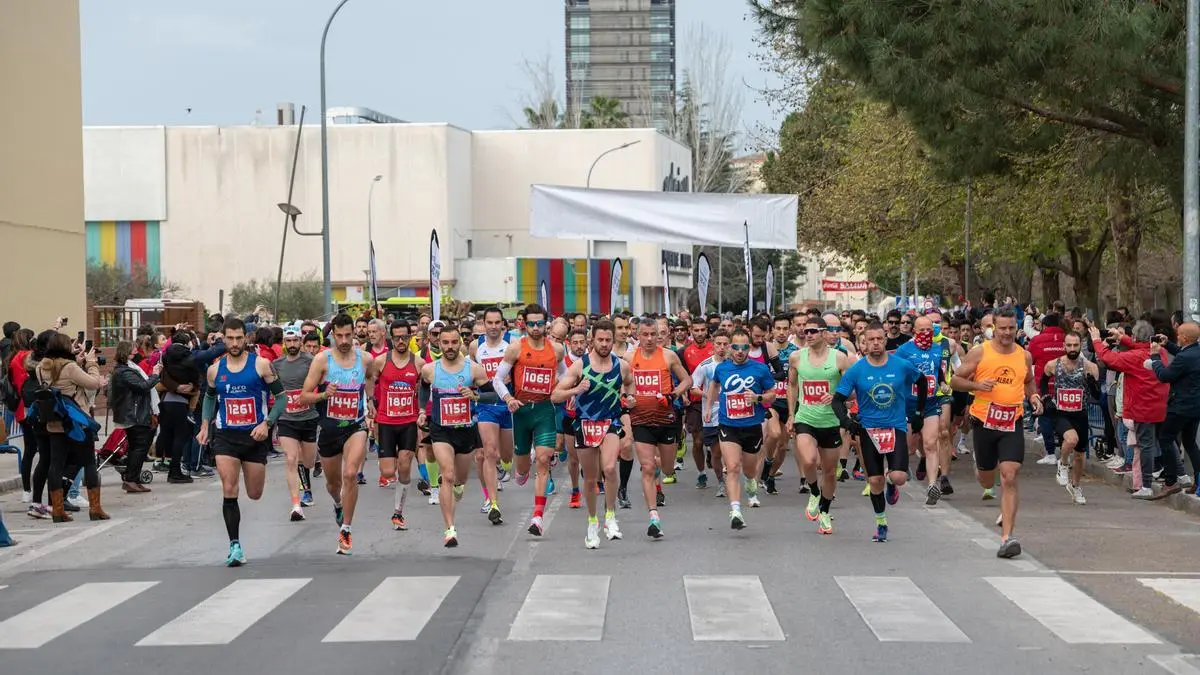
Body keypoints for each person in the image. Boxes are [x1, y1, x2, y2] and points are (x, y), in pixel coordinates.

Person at [196, 318, 288, 566]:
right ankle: (234, 546)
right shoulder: (215, 370)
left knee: (255, 493)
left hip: (254, 436)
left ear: (246, 338)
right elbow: (209, 398)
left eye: (239, 338)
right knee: (229, 487)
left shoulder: (261, 365)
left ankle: (236, 543)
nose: (235, 343)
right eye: (230, 338)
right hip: (226, 436)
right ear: (223, 338)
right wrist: (205, 426)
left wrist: (267, 424)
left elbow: (281, 398)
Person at [952, 309, 1040, 559]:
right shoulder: (980, 352)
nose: (1007, 333)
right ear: (993, 328)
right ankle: (981, 469)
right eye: (1002, 328)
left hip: (1012, 422)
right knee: (987, 480)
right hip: (984, 422)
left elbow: (1028, 380)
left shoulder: (1024, 355)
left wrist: (1034, 396)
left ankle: (1007, 537)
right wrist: (977, 385)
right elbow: (955, 381)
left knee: (1010, 475)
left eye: (1011, 328)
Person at [832, 321, 925, 543]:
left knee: (899, 477)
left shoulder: (901, 365)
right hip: (868, 429)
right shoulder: (857, 370)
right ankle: (881, 523)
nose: (875, 343)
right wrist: (847, 422)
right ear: (863, 343)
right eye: (870, 340)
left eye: (879, 339)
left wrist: (918, 413)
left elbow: (922, 382)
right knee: (874, 481)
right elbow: (837, 400)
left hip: (896, 427)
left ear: (885, 340)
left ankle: (891, 482)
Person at [552, 319, 633, 548]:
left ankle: (610, 516)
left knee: (609, 468)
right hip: (585, 424)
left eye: (608, 340)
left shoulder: (621, 365)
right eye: (600, 340)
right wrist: (576, 389)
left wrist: (629, 398)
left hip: (610, 422)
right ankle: (592, 521)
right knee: (590, 477)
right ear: (592, 340)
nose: (605, 344)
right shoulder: (580, 366)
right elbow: (555, 395)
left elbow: (630, 384)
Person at [297, 313, 373, 555]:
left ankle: (346, 530)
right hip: (329, 429)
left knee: (350, 474)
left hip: (355, 426)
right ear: (333, 336)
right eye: (339, 336)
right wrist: (323, 394)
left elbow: (370, 379)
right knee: (333, 484)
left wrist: (370, 401)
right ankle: (338, 504)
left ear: (354, 333)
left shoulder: (365, 359)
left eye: (348, 335)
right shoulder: (323, 360)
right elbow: (303, 396)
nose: (344, 340)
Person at [492, 304, 565, 537]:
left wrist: (560, 389)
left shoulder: (556, 349)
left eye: (539, 323)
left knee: (543, 460)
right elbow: (497, 379)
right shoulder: (516, 348)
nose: (535, 328)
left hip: (545, 410)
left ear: (546, 324)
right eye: (531, 323)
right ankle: (521, 471)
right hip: (521, 410)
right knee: (522, 467)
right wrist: (508, 398)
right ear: (524, 324)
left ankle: (537, 517)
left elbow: (565, 375)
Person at [419, 325, 490, 546]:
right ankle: (450, 529)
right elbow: (423, 389)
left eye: (453, 342)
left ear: (460, 343)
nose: (449, 347)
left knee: (459, 478)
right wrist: (421, 410)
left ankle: (459, 486)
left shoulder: (474, 369)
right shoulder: (430, 369)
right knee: (447, 475)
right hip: (440, 430)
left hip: (465, 431)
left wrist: (476, 396)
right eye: (445, 343)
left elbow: (493, 395)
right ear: (438, 343)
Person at [704, 328, 776, 530]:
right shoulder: (722, 368)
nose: (740, 351)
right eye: (735, 347)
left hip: (752, 425)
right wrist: (709, 408)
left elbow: (772, 394)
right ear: (730, 347)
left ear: (749, 348)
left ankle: (751, 483)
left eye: (744, 347)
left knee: (749, 470)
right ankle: (735, 511)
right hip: (728, 424)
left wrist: (758, 398)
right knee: (733, 466)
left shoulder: (760, 369)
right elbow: (714, 386)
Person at [788, 315, 852, 534]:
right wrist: (791, 415)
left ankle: (824, 510)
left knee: (830, 472)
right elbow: (792, 386)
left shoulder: (839, 358)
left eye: (813, 331)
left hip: (831, 421)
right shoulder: (796, 357)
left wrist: (835, 396)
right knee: (809, 460)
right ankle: (814, 491)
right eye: (806, 331)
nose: (808, 335)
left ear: (824, 333)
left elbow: (851, 390)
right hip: (805, 418)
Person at [35, 332, 107, 523]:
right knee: (89, 462)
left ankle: (57, 510)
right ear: (66, 347)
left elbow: (58, 375)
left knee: (56, 465)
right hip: (76, 422)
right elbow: (93, 383)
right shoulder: (70, 367)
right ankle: (95, 509)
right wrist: (91, 363)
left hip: (54, 423)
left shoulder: (41, 367)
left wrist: (75, 360)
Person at [371, 320, 425, 530]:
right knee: (387, 472)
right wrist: (371, 403)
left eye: (405, 337)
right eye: (397, 338)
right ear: (390, 338)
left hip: (408, 422)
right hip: (386, 421)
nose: (401, 341)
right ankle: (388, 458)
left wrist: (422, 411)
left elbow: (425, 388)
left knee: (404, 466)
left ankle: (398, 513)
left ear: (410, 337)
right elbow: (369, 381)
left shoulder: (418, 363)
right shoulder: (380, 362)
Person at [1042, 332, 1099, 504]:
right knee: (1071, 439)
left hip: (1080, 413)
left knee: (1080, 456)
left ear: (1080, 346)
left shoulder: (1090, 367)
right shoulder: (1054, 364)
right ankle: (1063, 463)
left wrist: (1092, 384)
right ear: (1064, 346)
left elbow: (1097, 395)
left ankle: (1075, 486)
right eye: (1069, 345)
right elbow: (1043, 381)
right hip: (1060, 413)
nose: (1072, 349)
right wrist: (1046, 399)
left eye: (1075, 345)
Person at [469, 308, 514, 523]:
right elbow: (471, 370)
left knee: (506, 458)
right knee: (488, 452)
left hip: (507, 404)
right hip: (486, 404)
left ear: (503, 324)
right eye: (490, 322)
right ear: (484, 324)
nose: (494, 326)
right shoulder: (475, 346)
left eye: (497, 322)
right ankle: (492, 502)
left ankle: (505, 468)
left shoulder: (512, 345)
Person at [273, 329, 319, 520]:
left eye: (295, 340)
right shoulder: (277, 364)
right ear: (284, 342)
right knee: (291, 458)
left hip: (308, 417)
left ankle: (306, 484)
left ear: (300, 341)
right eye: (288, 341)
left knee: (308, 462)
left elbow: (323, 379)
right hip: (286, 419)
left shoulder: (311, 361)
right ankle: (296, 505)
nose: (291, 344)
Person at [1149, 322, 1200, 493]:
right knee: (1190, 443)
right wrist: (1168, 344)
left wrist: (1155, 358)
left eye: (1178, 335)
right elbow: (1183, 355)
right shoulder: (1195, 351)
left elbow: (1165, 376)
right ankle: (1198, 481)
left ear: (1184, 337)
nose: (1177, 337)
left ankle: (1171, 481)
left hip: (1180, 406)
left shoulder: (1185, 357)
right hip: (1195, 407)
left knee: (1165, 438)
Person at [108, 340, 161, 494]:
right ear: (125, 352)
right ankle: (131, 480)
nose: (136, 351)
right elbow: (143, 386)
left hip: (136, 412)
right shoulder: (124, 371)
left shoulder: (129, 368)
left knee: (137, 447)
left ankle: (134, 479)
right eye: (133, 349)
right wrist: (155, 375)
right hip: (134, 414)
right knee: (139, 447)